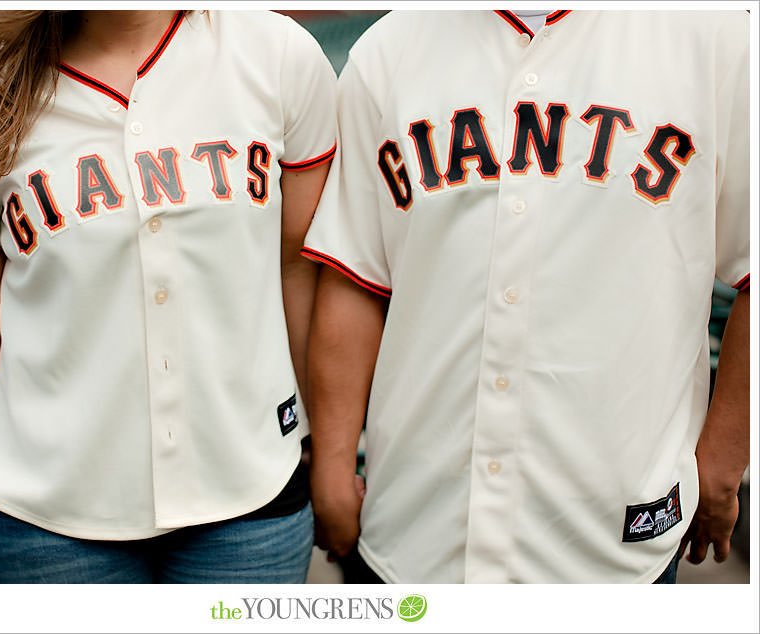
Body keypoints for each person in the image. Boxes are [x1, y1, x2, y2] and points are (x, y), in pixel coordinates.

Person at [304, 9, 749, 583]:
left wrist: (722, 462)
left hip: (611, 538)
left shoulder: (715, 37)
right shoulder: (389, 47)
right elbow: (355, 276)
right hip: (413, 528)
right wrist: (335, 465)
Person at [0, 9, 336, 583]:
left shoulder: (277, 54)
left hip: (248, 495)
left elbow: (298, 271)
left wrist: (327, 452)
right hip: (48, 518)